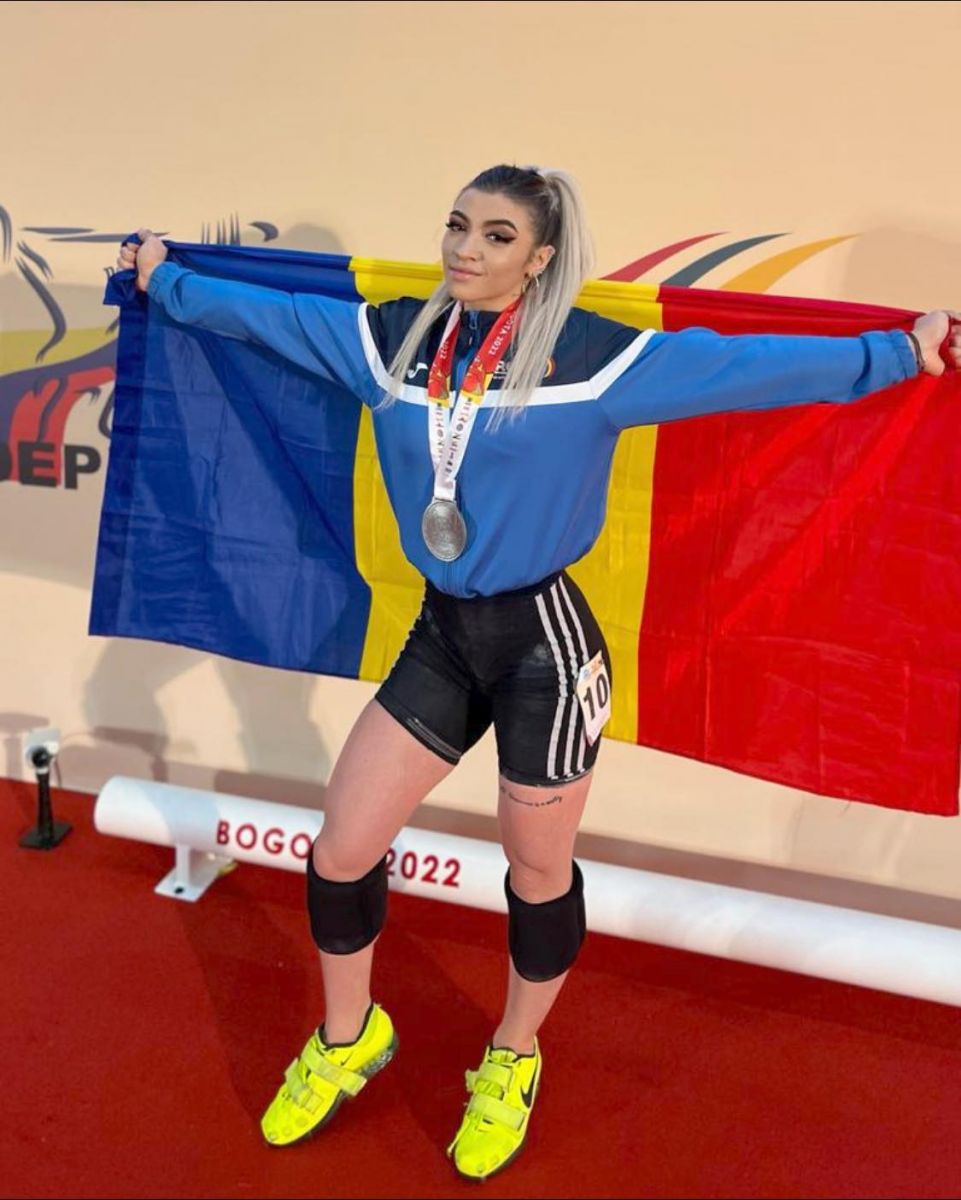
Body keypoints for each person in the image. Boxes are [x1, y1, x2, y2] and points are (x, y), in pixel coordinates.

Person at [118, 164, 960, 1182]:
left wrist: (900, 351)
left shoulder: (596, 358)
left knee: (535, 872)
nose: (465, 249)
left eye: (497, 235)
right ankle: (348, 1039)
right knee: (341, 848)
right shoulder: (392, 341)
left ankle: (513, 1055)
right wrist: (166, 280)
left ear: (540, 257)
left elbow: (748, 365)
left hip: (544, 655)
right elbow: (269, 318)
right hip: (441, 636)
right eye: (457, 225)